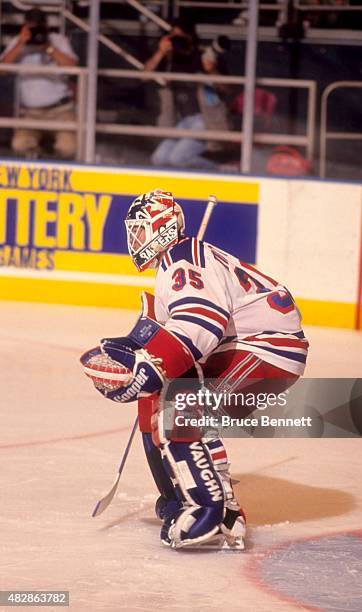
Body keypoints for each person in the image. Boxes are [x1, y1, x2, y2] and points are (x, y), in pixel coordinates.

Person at [81, 189, 308, 550]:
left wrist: (152, 368)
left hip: (268, 349)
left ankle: (210, 513)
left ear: (161, 227)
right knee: (163, 400)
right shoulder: (178, 259)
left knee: (181, 407)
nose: (134, 239)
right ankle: (192, 498)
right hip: (253, 344)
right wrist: (139, 354)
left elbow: (203, 320)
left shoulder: (182, 260)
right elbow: (178, 329)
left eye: (139, 229)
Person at [0, 7, 78, 159]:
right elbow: (2, 69)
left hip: (60, 110)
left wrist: (48, 48)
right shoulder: (18, 41)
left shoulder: (58, 40)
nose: (35, 30)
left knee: (68, 148)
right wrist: (20, 44)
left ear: (45, 25)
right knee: (20, 145)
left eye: (38, 26)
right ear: (25, 25)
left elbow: (72, 66)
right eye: (31, 26)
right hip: (31, 113)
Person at [145, 18, 216, 170]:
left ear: (191, 37)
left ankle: (219, 172)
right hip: (182, 121)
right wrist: (160, 52)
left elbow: (228, 88)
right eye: (173, 36)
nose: (178, 41)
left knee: (177, 159)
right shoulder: (169, 58)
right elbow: (144, 76)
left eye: (181, 37)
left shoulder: (203, 55)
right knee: (159, 158)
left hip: (205, 119)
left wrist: (212, 71)